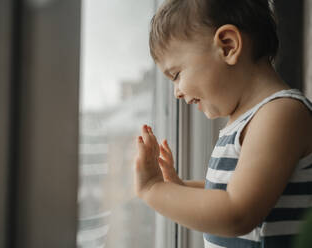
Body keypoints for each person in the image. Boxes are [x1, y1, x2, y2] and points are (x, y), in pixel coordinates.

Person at [133, 0, 312, 247]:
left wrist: (153, 189)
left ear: (227, 46)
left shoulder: (281, 114)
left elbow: (237, 213)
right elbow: (224, 192)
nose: (176, 93)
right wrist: (180, 188)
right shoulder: (243, 121)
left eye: (176, 75)